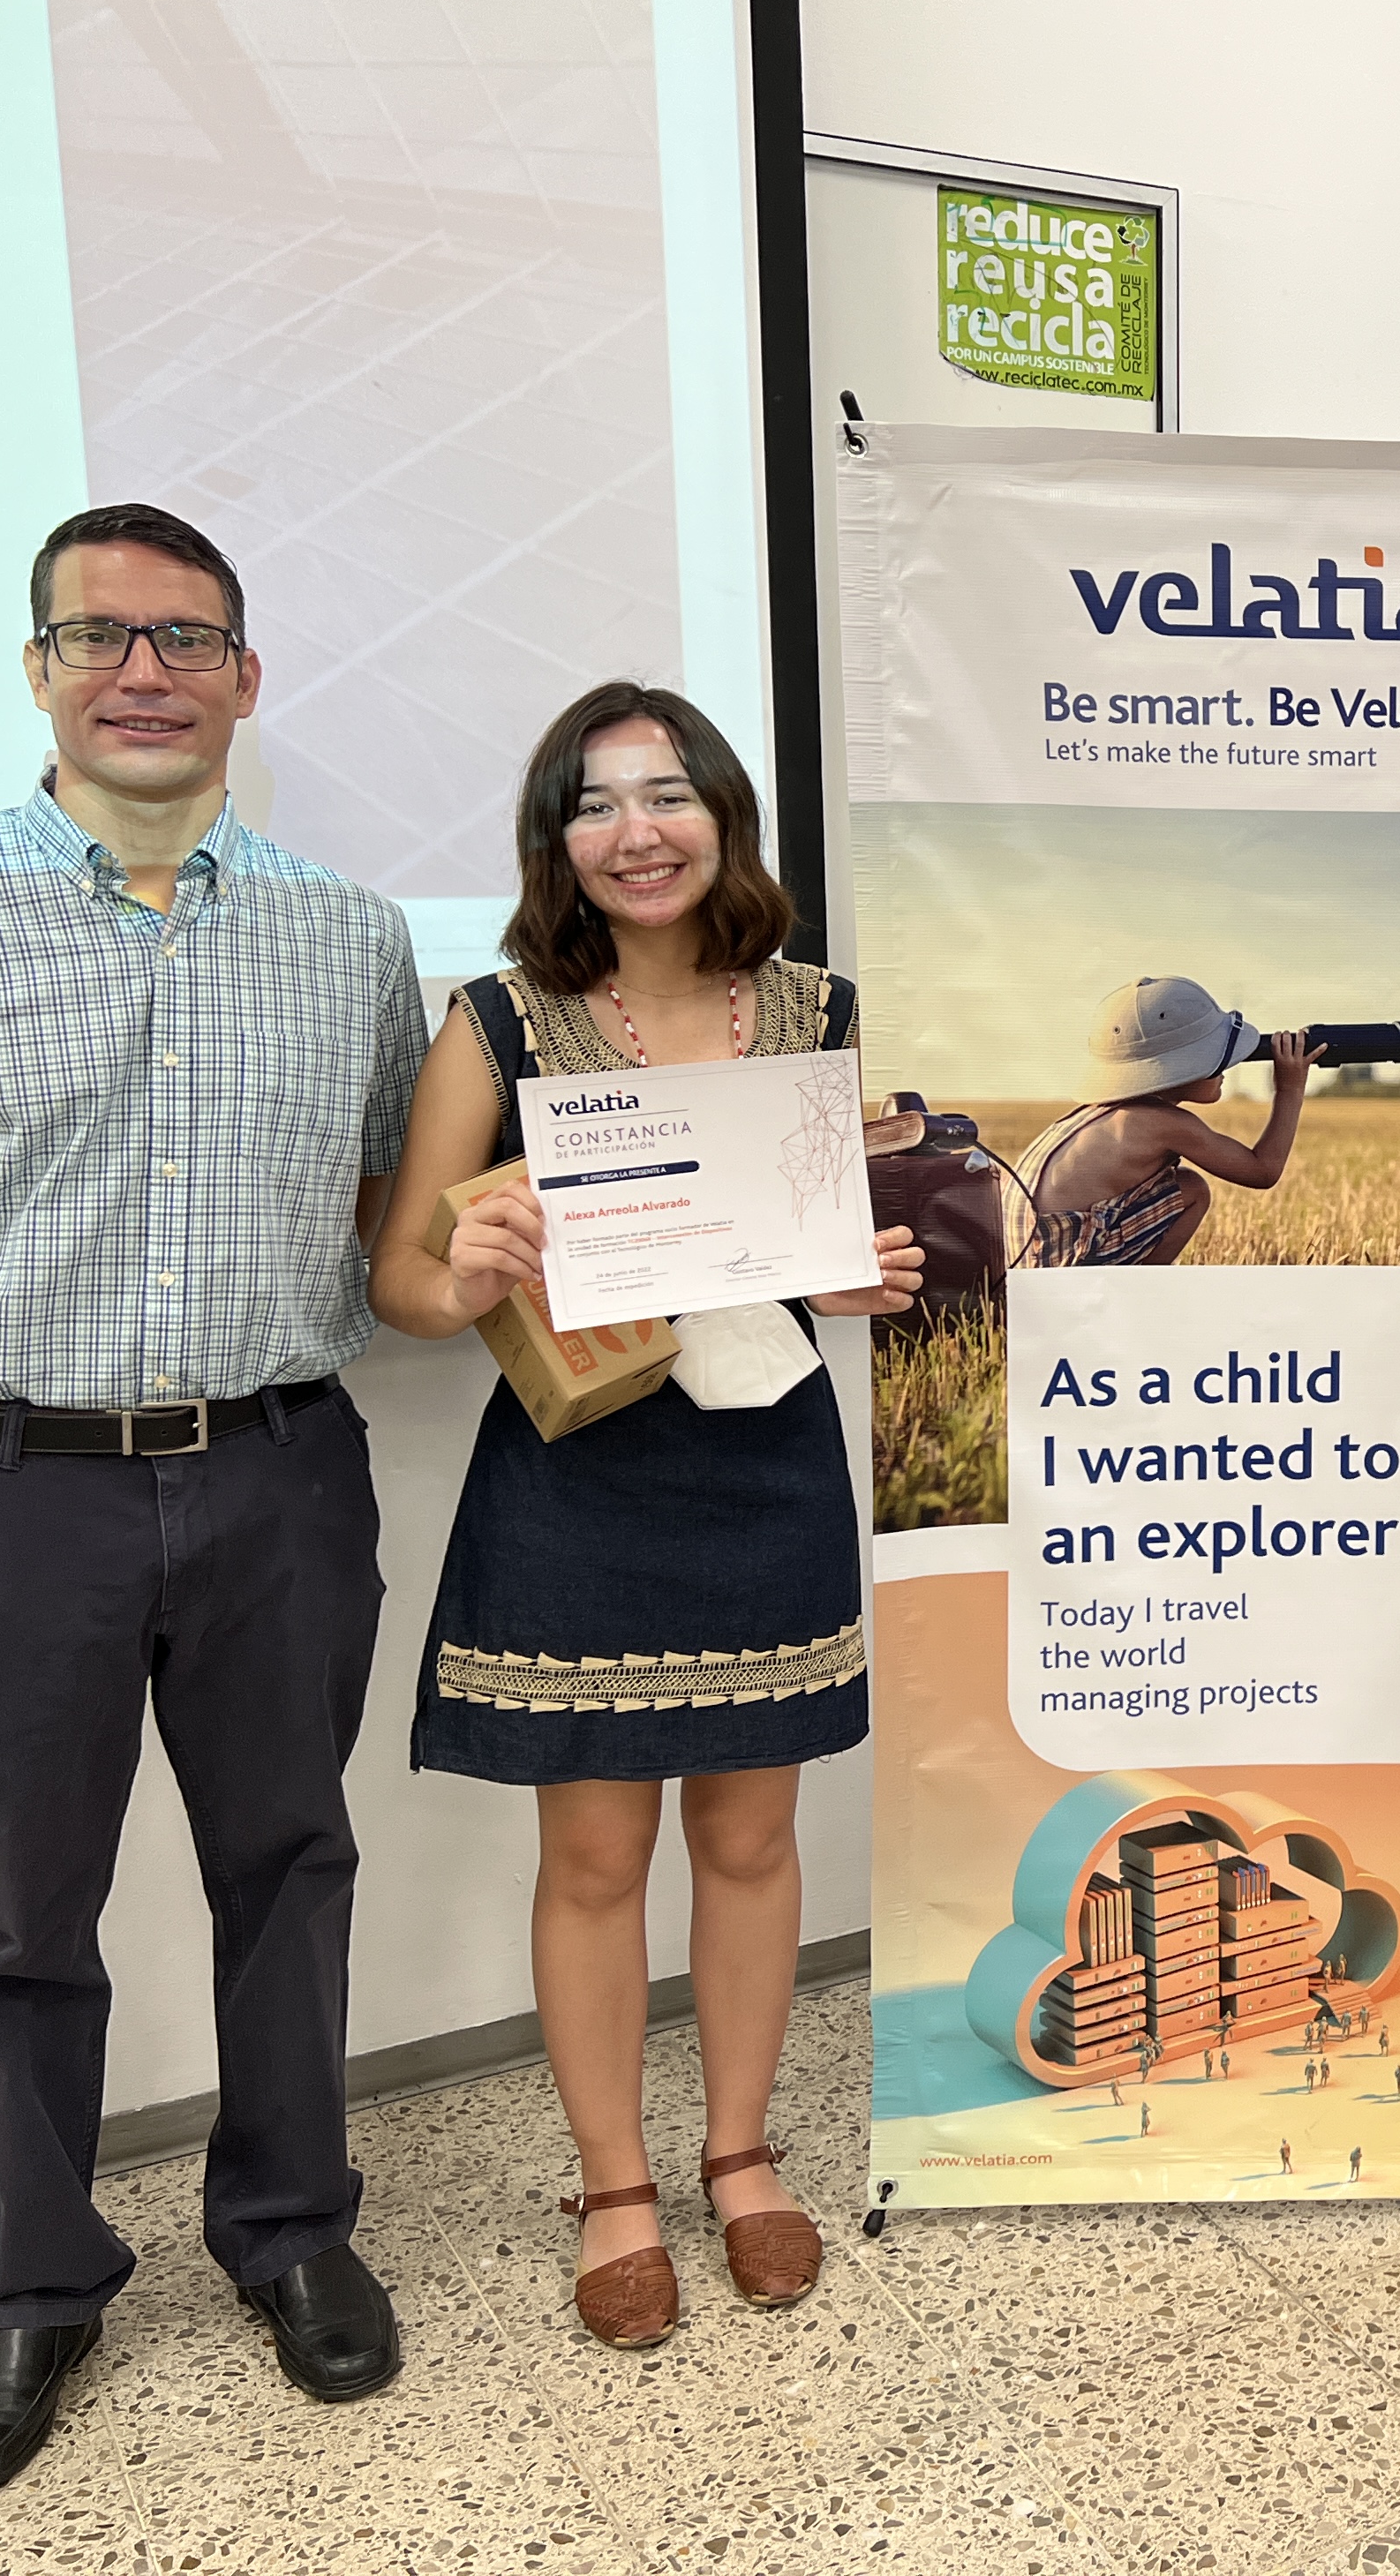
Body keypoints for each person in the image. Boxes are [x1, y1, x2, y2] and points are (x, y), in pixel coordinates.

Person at [0, 503, 427, 2494]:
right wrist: (11, 1352)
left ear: (245, 678)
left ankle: (294, 2232)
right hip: (12, 1490)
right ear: (37, 668)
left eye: (189, 638)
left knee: (288, 1869)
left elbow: (388, 1192)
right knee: (19, 1909)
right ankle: (35, 2284)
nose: (147, 670)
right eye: (103, 635)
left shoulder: (347, 933)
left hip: (282, 1474)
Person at [369, 682, 920, 2353]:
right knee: (595, 1850)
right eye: (596, 805)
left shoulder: (821, 1009)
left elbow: (846, 1244)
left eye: (667, 794)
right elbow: (401, 1278)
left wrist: (873, 1276)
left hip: (766, 1463)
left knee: (754, 1838)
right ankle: (615, 2184)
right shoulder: (501, 1019)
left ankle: (739, 2152)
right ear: (558, 842)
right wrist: (460, 1272)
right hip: (580, 1473)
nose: (638, 831)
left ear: (723, 813)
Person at [1011, 976, 1313, 1265]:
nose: (1226, 1068)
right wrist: (1290, 1089)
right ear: (1178, 1066)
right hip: (1053, 1268)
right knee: (1191, 1189)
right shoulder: (1163, 1124)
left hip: (1013, 1262)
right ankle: (1140, 1291)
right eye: (1217, 1058)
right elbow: (1262, 1171)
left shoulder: (1096, 1114)